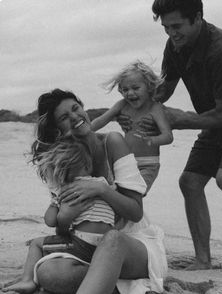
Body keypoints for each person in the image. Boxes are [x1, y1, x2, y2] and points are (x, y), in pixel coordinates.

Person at [6, 89, 168, 294]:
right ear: (57, 129)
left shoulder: (113, 142)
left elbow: (135, 212)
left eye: (76, 108)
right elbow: (64, 229)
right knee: (50, 273)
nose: (75, 117)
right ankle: (105, 284)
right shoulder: (61, 161)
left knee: (113, 238)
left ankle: (102, 283)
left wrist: (101, 189)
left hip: (131, 245)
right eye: (64, 117)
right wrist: (65, 218)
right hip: (86, 248)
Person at [118, 0, 222, 270]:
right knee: (190, 183)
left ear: (197, 17)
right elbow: (162, 91)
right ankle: (203, 260)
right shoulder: (175, 46)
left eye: (177, 26)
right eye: (166, 27)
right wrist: (136, 109)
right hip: (214, 123)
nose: (172, 33)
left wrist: (181, 120)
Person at [3, 136, 116, 294]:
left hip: (83, 244)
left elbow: (50, 221)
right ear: (88, 164)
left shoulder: (65, 190)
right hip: (107, 245)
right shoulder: (101, 184)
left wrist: (54, 203)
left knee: (36, 243)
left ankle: (27, 280)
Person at [92, 60, 173, 192]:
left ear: (149, 87)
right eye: (125, 89)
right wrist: (85, 131)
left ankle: (132, 210)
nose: (129, 93)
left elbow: (168, 136)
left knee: (135, 192)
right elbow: (101, 120)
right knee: (121, 193)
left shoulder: (155, 108)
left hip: (148, 164)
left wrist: (152, 140)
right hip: (125, 162)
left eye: (135, 88)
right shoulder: (122, 105)